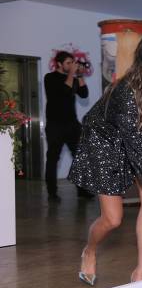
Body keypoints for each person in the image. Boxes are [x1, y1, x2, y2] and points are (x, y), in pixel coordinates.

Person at [69, 30, 142, 285]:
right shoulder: (126, 94)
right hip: (106, 140)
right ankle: (89, 249)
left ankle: (140, 275)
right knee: (113, 219)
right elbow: (141, 154)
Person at [44, 51, 93, 201]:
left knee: (80, 157)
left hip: (72, 124)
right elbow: (65, 92)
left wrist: (80, 76)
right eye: (68, 63)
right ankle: (52, 192)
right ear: (59, 64)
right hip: (55, 125)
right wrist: (72, 75)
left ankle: (82, 190)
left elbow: (84, 94)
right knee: (53, 159)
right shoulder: (50, 78)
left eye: (73, 63)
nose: (72, 65)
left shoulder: (73, 78)